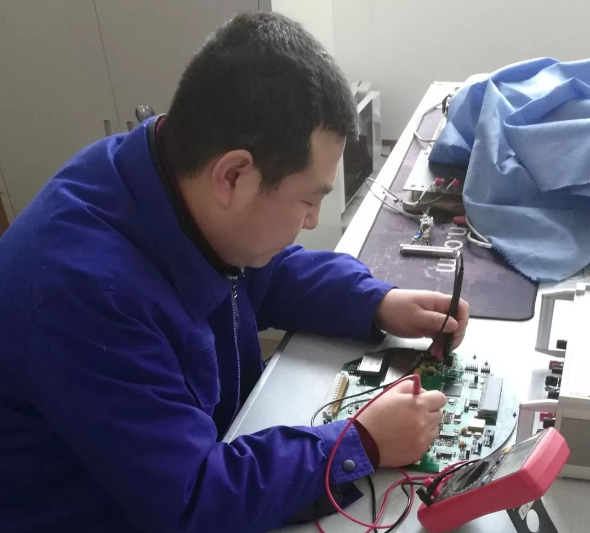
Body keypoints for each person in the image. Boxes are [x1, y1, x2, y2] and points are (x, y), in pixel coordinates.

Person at [0, 12, 468, 533]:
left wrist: (375, 302)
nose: (313, 220)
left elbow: (261, 272)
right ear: (234, 175)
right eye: (307, 200)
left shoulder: (169, 176)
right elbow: (193, 501)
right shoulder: (84, 298)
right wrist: (359, 443)